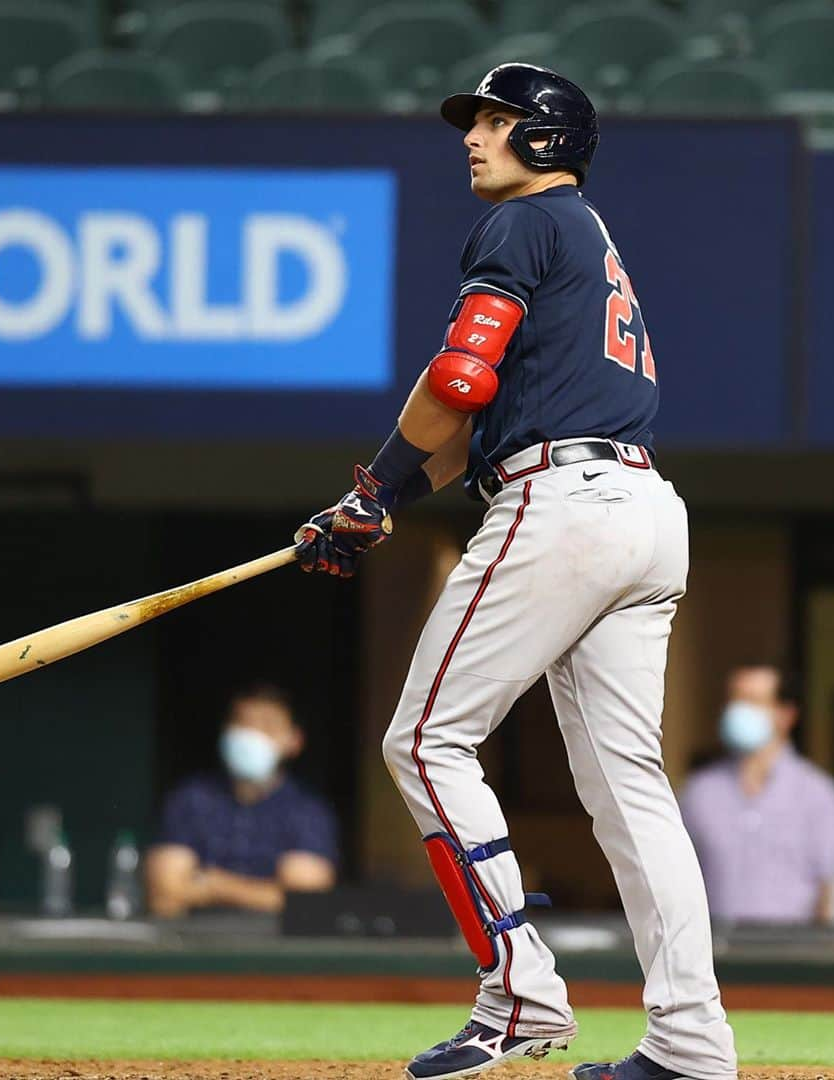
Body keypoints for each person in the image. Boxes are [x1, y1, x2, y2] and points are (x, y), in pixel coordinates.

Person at [294, 64, 737, 1080]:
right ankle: (692, 1043)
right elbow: (478, 411)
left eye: (495, 120)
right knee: (633, 794)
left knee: (424, 740)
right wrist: (382, 499)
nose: (472, 136)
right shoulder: (585, 239)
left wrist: (374, 492)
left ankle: (520, 992)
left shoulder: (526, 222)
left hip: (563, 508)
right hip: (643, 508)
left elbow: (459, 375)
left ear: (545, 139)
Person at [680, 664, 834, 926]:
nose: (738, 710)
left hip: (793, 955)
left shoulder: (819, 795)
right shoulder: (699, 793)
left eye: (753, 701)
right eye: (735, 699)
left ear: (785, 715)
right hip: (711, 955)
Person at [145, 683, 337, 917]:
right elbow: (165, 894)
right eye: (242, 722)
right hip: (195, 943)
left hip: (277, 949)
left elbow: (306, 902)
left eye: (267, 725)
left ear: (294, 741)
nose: (251, 734)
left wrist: (213, 885)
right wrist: (267, 894)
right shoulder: (191, 799)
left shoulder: (308, 811)